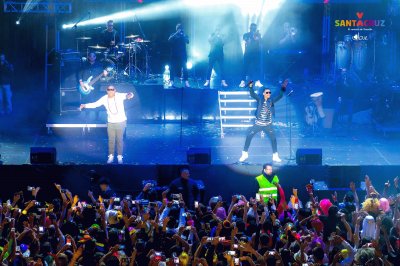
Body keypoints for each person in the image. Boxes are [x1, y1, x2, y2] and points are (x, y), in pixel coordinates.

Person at [79, 85, 134, 164]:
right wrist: (85, 105)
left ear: (115, 90)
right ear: (107, 90)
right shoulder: (104, 98)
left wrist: (130, 95)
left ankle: (119, 157)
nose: (111, 90)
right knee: (111, 140)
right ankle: (111, 156)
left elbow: (130, 95)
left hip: (121, 121)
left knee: (119, 140)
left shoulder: (119, 95)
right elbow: (95, 104)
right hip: (110, 122)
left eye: (112, 89)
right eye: (109, 89)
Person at [239, 79, 288, 163]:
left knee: (273, 139)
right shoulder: (260, 99)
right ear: (263, 93)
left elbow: (280, 96)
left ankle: (275, 156)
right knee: (249, 136)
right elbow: (252, 94)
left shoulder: (271, 101)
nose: (269, 94)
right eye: (267, 92)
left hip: (268, 125)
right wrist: (250, 86)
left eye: (269, 92)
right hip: (258, 124)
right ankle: (244, 154)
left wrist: (283, 87)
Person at [239, 23, 263, 88]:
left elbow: (261, 42)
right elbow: (246, 41)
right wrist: (249, 40)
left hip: (256, 54)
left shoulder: (258, 35)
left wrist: (258, 38)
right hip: (248, 54)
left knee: (257, 67)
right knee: (245, 67)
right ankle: (242, 81)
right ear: (250, 28)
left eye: (254, 28)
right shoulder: (246, 35)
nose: (253, 29)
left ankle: (257, 81)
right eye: (252, 28)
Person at [168, 23, 190, 88]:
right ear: (176, 29)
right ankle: (171, 81)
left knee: (185, 68)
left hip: (182, 55)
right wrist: (176, 33)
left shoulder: (184, 35)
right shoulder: (173, 35)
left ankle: (186, 82)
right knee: (172, 68)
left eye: (180, 28)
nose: (179, 29)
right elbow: (169, 40)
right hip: (174, 55)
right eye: (178, 28)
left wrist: (182, 35)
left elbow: (188, 41)